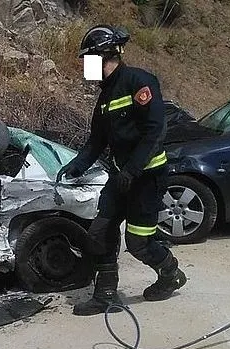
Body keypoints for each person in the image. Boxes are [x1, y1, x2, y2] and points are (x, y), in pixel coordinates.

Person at [57, 24, 187, 316]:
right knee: (100, 232)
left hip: (147, 177)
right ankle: (106, 296)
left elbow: (155, 132)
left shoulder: (139, 82)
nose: (85, 68)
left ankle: (170, 273)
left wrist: (132, 170)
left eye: (88, 60)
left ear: (104, 56)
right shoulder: (104, 97)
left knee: (139, 242)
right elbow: (97, 140)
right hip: (121, 177)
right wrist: (75, 166)